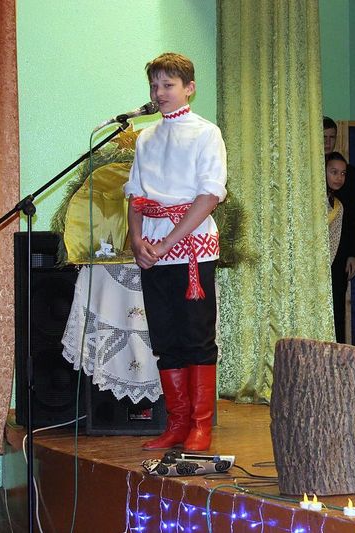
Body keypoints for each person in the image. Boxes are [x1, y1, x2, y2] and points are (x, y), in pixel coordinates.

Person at [124, 52, 228, 452]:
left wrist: (167, 242)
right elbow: (135, 196)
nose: (159, 93)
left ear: (190, 88)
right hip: (152, 250)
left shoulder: (206, 133)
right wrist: (137, 241)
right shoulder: (146, 138)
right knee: (165, 339)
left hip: (191, 251)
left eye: (168, 85)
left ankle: (200, 425)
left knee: (196, 337)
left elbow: (209, 195)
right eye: (154, 86)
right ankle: (177, 423)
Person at [323, 117, 355, 343]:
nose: (328, 142)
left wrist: (354, 253)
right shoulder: (308, 173)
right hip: (314, 252)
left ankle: (336, 353)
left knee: (337, 306)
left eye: (332, 137)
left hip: (340, 250)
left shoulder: (349, 173)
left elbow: (354, 217)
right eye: (324, 137)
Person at [325, 152, 349, 343]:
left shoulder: (338, 206)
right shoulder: (310, 201)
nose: (339, 178)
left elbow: (334, 240)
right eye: (334, 172)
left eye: (342, 173)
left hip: (328, 267)